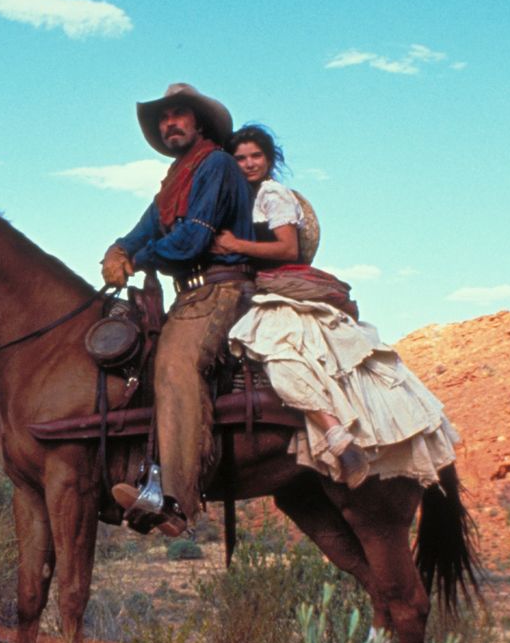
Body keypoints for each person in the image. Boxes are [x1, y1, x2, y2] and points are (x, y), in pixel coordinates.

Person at [215, 124, 460, 489]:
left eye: (256, 156)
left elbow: (288, 249)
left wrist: (237, 245)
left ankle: (337, 437)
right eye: (240, 158)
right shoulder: (243, 198)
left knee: (281, 354)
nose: (249, 164)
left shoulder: (272, 193)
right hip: (256, 289)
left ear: (269, 159)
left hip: (281, 287)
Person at [100, 83, 255, 534]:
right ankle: (146, 475)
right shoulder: (174, 182)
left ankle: (176, 502)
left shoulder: (216, 165)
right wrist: (117, 250)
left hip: (222, 289)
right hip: (189, 295)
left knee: (174, 365)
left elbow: (191, 240)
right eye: (163, 118)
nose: (170, 123)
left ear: (198, 121)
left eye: (178, 114)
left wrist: (137, 259)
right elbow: (141, 232)